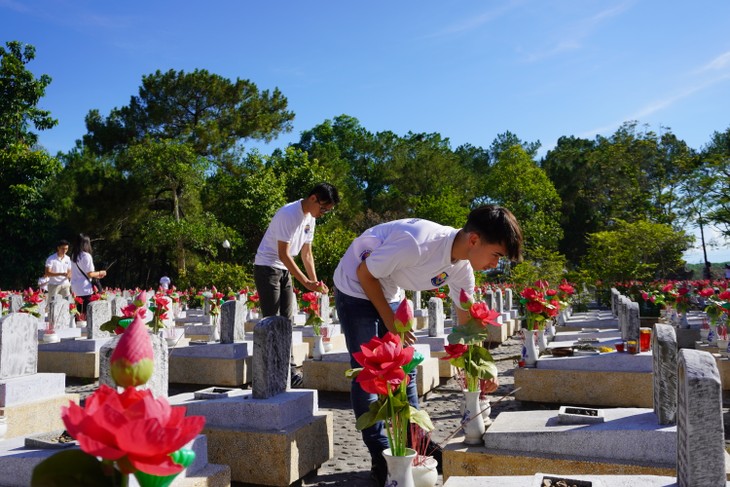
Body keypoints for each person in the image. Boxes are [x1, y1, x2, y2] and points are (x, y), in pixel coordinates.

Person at [333, 205, 524, 486]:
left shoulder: (462, 269)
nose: (496, 264)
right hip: (355, 284)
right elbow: (365, 273)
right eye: (496, 255)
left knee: (406, 366)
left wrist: (485, 368)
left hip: (387, 286)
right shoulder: (418, 242)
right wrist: (391, 322)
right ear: (474, 240)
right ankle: (379, 452)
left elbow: (466, 325)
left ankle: (416, 439)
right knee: (367, 372)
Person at [254, 182, 340, 386]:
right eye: (324, 208)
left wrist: (315, 282)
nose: (324, 213)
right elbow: (283, 254)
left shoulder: (311, 218)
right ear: (313, 199)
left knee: (287, 320)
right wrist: (305, 282)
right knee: (272, 321)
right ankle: (269, 371)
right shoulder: (289, 214)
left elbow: (306, 253)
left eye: (327, 211)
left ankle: (289, 370)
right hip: (268, 267)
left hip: (284, 269)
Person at [70, 233, 107, 317]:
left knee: (78, 313)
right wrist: (100, 272)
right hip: (85, 288)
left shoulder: (73, 256)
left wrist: (96, 275)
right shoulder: (86, 256)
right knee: (86, 314)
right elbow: (90, 274)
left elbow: (81, 273)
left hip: (75, 287)